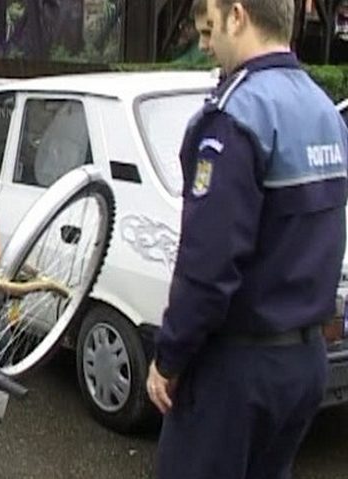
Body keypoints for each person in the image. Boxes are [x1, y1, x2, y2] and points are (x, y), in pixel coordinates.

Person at [147, 1, 347, 478]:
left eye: (208, 28)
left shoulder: (237, 115)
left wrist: (169, 358)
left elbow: (208, 266)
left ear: (237, 15)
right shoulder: (324, 111)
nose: (204, 45)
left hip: (237, 370)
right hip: (304, 366)